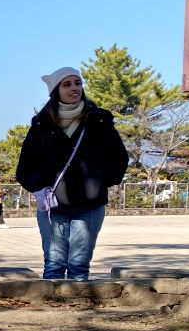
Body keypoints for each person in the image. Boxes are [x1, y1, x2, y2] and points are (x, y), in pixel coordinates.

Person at [16, 66, 128, 281]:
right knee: (54, 263)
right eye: (67, 84)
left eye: (77, 83)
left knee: (79, 264)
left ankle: (78, 309)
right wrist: (39, 186)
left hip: (89, 203)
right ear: (55, 90)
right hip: (53, 205)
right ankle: (52, 311)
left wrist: (100, 180)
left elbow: (118, 158)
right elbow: (26, 165)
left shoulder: (99, 121)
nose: (74, 88)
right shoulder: (41, 124)